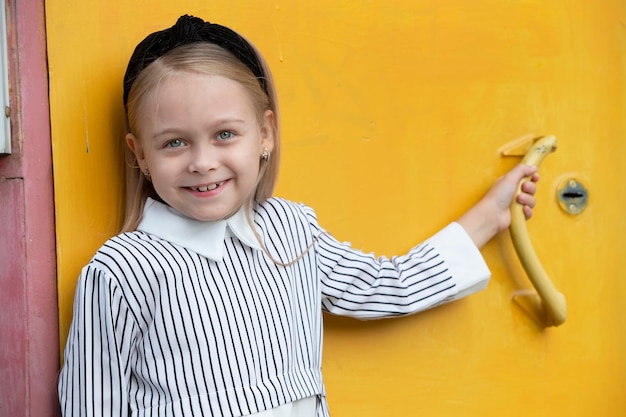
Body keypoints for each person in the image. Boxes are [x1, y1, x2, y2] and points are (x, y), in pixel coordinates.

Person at [58, 14, 539, 417]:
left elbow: (383, 285)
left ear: (265, 133)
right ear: (139, 153)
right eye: (175, 142)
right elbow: (92, 404)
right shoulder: (121, 270)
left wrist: (489, 216)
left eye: (225, 134)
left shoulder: (290, 228)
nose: (202, 161)